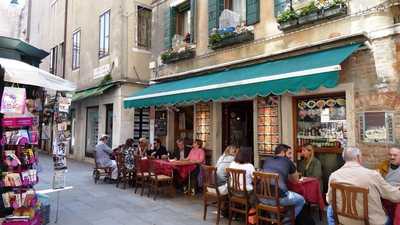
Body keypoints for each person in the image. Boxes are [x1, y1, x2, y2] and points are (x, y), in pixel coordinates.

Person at [326, 147, 400, 225]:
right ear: (358, 157)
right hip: (371, 222)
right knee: (391, 217)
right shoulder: (373, 175)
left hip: (343, 220)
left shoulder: (334, 176)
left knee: (330, 210)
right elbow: (395, 196)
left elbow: (329, 200)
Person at [262, 144, 305, 217]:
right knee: (301, 200)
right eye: (289, 153)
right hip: (277, 199)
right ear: (282, 153)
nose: (291, 156)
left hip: (262, 197)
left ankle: (275, 220)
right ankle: (286, 222)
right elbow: (295, 180)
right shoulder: (288, 161)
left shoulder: (267, 160)